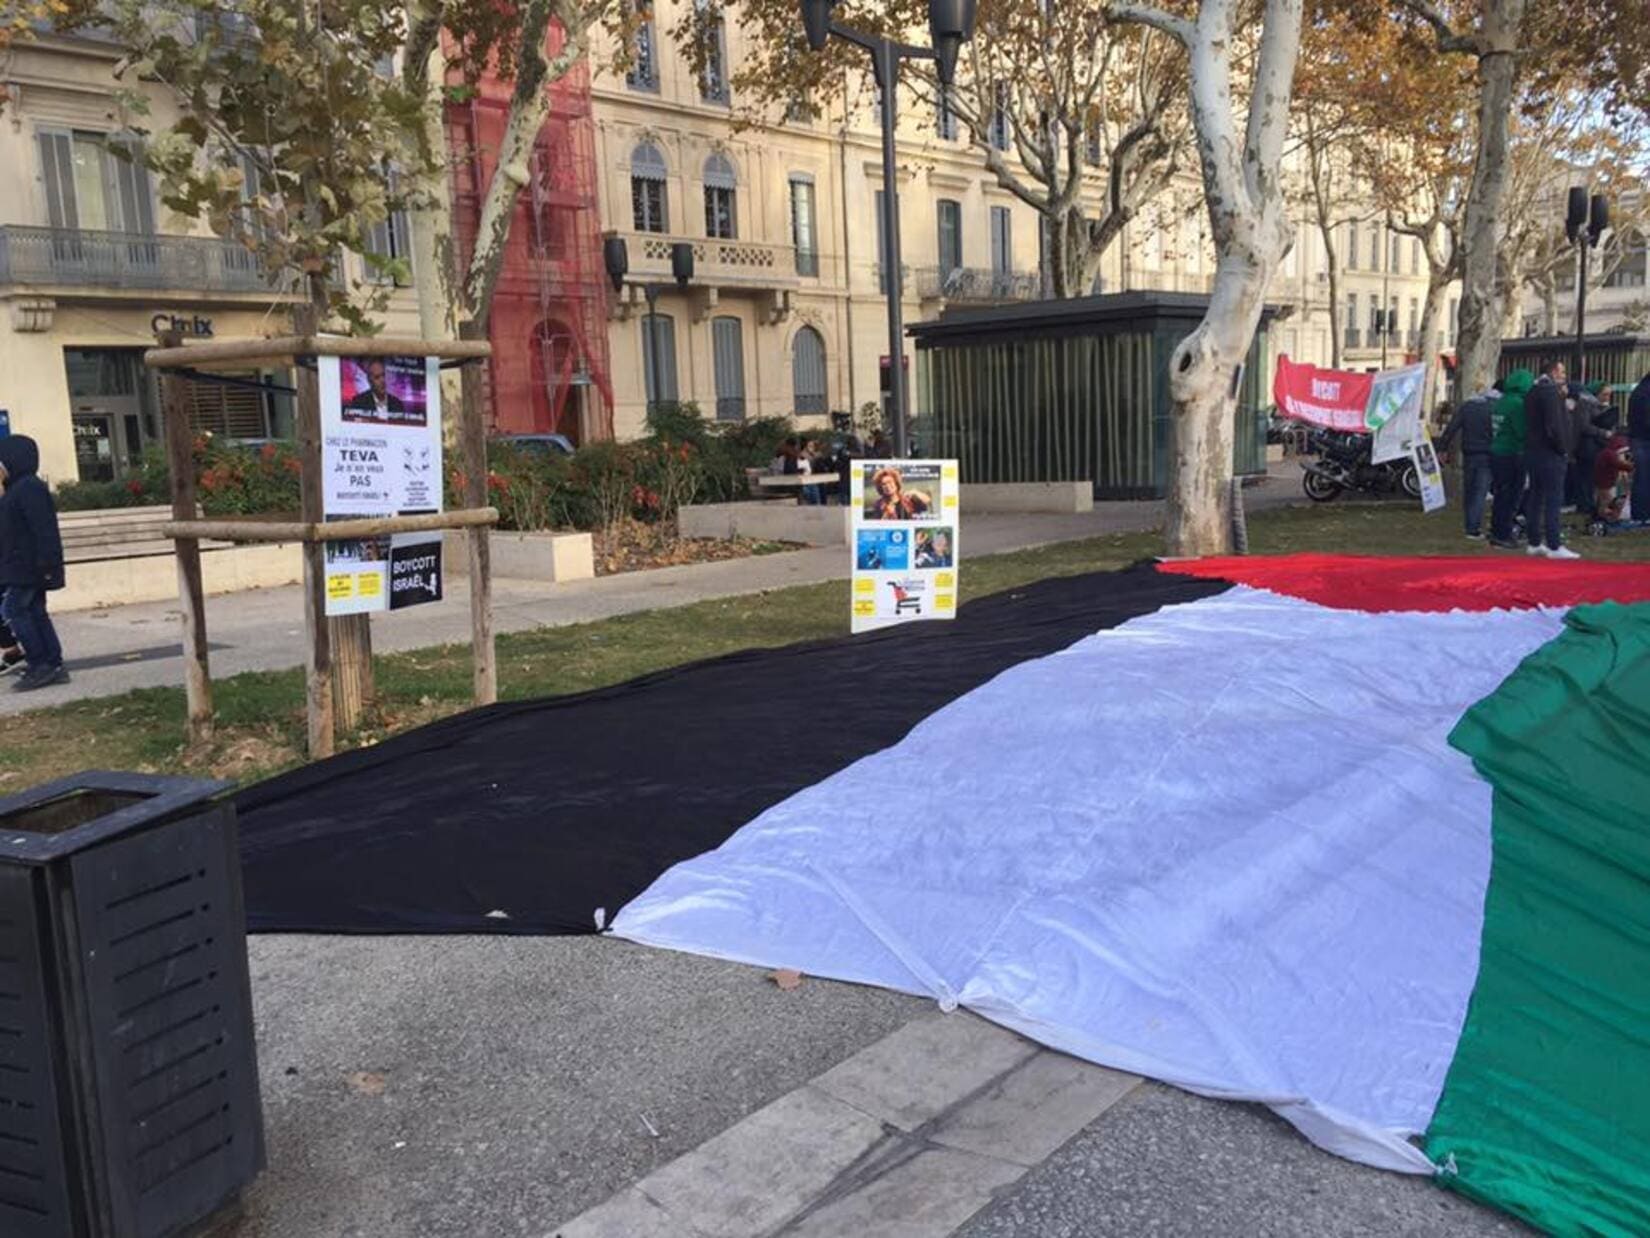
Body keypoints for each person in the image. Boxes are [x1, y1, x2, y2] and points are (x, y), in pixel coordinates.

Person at [0, 434, 69, 689]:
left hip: (28, 567)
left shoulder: (28, 488)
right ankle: (51, 664)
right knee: (35, 612)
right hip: (23, 566)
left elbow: (43, 529)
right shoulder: (17, 488)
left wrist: (48, 565)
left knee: (13, 611)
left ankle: (42, 664)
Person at [1523, 358, 1579, 559]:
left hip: (1533, 451)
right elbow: (1555, 425)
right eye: (1562, 373)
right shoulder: (1549, 393)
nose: (1564, 377)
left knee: (1536, 496)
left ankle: (1534, 541)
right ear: (1554, 372)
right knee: (1554, 499)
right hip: (1550, 453)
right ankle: (1555, 544)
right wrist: (1563, 449)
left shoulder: (1533, 391)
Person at [1437, 382, 1499, 539]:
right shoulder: (1495, 407)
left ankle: (1469, 524)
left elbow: (1452, 427)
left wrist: (1442, 448)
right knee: (1480, 492)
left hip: (1469, 453)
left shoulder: (1467, 407)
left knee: (1470, 490)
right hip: (1487, 453)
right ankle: (1473, 528)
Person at [1488, 368, 1533, 548]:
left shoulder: (1501, 401)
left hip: (1497, 452)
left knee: (1500, 495)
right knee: (1512, 496)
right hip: (1512, 453)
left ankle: (1496, 531)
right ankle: (1504, 534)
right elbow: (1522, 431)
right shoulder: (1518, 404)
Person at [1593, 421, 1634, 523]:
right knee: (1609, 502)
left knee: (1606, 501)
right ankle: (1606, 518)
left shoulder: (1607, 451)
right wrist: (1633, 466)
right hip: (1605, 484)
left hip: (1604, 482)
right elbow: (1621, 465)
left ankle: (1604, 517)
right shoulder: (1611, 454)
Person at [865, 466, 932, 520]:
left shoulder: (908, 499)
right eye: (884, 484)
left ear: (896, 483)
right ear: (880, 487)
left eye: (890, 482)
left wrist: (915, 492)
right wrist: (887, 515)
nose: (887, 486)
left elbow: (927, 501)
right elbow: (877, 526)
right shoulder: (878, 504)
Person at [1629, 370, 1650, 520]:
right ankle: (1643, 514)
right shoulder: (1646, 393)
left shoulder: (1638, 391)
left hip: (1637, 437)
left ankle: (1639, 514)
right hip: (1645, 439)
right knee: (1644, 478)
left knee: (1641, 478)